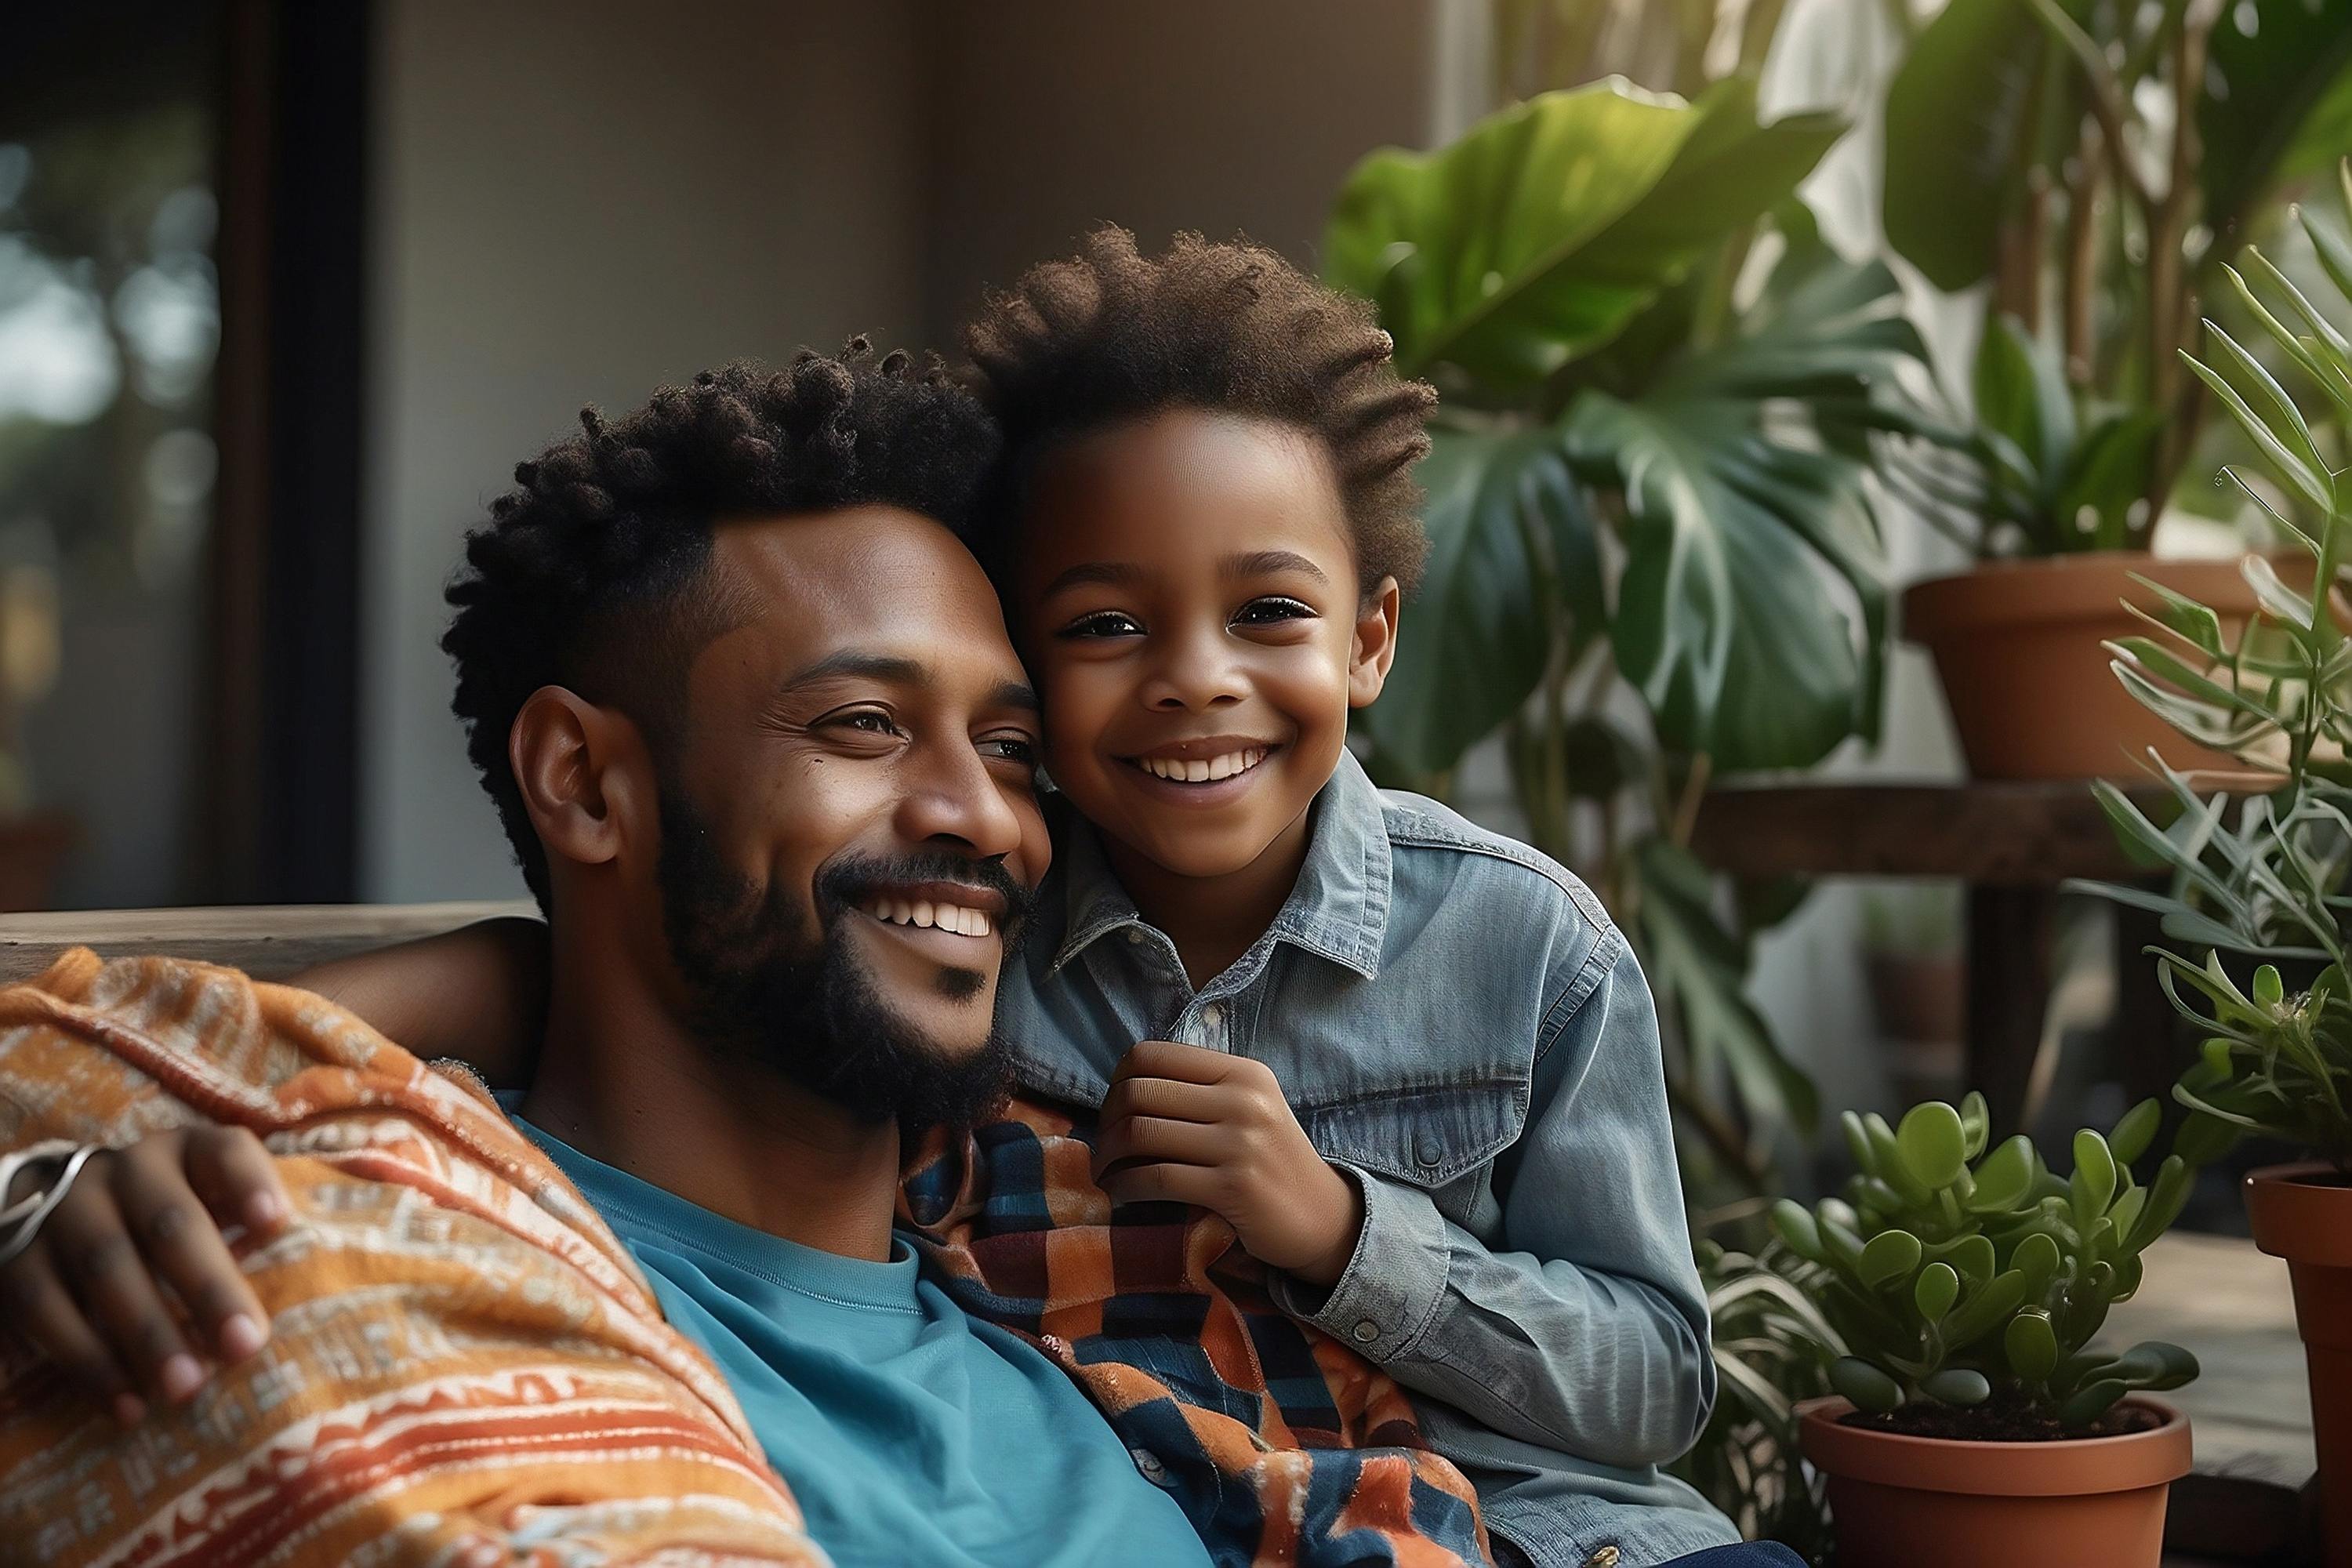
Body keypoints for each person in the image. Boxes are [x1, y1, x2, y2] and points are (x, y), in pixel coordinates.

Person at [9, 238, 1802, 1567]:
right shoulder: (399, 1262)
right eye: (866, 726)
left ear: (1369, 639)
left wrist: (1342, 1234)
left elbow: (1634, 1376)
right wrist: (59, 1154)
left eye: (1010, 746)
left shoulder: (1116, 1255)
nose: (986, 819)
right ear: (586, 786)